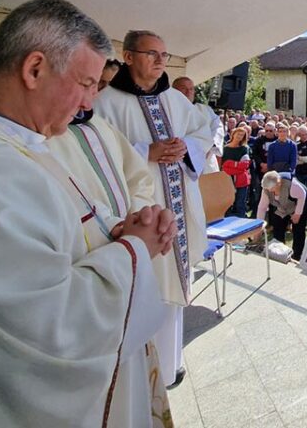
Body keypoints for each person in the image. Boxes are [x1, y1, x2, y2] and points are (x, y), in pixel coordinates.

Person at [0, 0, 174, 427]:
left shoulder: (11, 144)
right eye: (85, 84)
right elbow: (52, 330)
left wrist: (119, 230)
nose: (87, 104)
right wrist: (135, 249)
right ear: (35, 69)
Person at [46, 81, 173, 426]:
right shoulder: (38, 136)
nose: (93, 98)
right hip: (95, 290)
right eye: (87, 83)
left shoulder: (100, 126)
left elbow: (136, 180)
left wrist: (140, 219)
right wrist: (131, 238)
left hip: (123, 261)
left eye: (99, 84)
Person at [95, 29, 215, 388]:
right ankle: (142, 374)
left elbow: (203, 131)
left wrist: (187, 147)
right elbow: (98, 150)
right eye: (152, 54)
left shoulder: (175, 100)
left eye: (164, 54)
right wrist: (145, 152)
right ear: (128, 56)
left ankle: (171, 364)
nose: (161, 60)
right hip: (139, 211)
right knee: (144, 286)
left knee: (174, 287)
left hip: (176, 207)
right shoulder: (105, 103)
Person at [173, 75, 225, 172]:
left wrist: (209, 147)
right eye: (184, 89)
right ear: (174, 91)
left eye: (191, 89)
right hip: (179, 160)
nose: (188, 92)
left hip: (207, 160)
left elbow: (217, 127)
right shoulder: (169, 110)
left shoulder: (205, 110)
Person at [258, 170, 307, 261]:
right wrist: (258, 227)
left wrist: (297, 214)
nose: (269, 191)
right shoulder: (266, 190)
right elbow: (262, 208)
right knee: (278, 227)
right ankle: (279, 253)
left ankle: (296, 256)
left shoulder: (292, 185)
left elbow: (302, 195)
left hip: (299, 202)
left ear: (278, 183)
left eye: (271, 189)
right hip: (282, 207)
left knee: (298, 230)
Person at [221, 126, 252, 216]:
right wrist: (235, 166)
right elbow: (223, 166)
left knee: (240, 203)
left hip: (241, 180)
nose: (239, 136)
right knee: (227, 203)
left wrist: (230, 164)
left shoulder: (244, 149)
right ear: (233, 134)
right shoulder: (225, 149)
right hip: (227, 180)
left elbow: (244, 165)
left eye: (242, 135)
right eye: (238, 134)